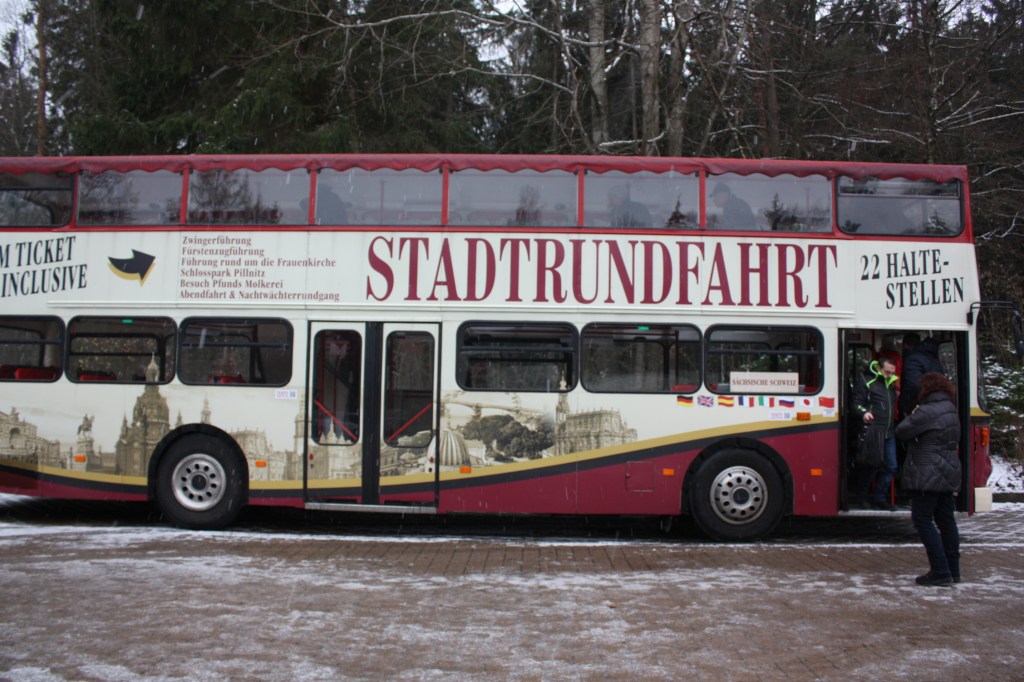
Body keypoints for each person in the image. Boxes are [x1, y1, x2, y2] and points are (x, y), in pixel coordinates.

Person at [896, 371, 961, 586]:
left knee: (922, 520)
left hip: (927, 471)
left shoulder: (926, 411)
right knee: (946, 520)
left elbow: (902, 431)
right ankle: (953, 569)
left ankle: (940, 570)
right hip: (948, 470)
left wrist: (912, 413)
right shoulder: (950, 409)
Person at [852, 357, 899, 510]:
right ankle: (862, 496)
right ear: (878, 368)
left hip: (889, 432)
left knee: (891, 466)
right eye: (887, 372)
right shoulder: (866, 381)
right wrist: (864, 413)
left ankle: (879, 498)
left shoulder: (891, 385)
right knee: (871, 466)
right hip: (874, 431)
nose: (889, 375)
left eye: (892, 373)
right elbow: (855, 404)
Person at [900, 333, 943, 418]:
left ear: (905, 345)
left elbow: (914, 385)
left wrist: (908, 407)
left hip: (917, 406)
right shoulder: (932, 357)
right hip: (935, 403)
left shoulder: (912, 359)